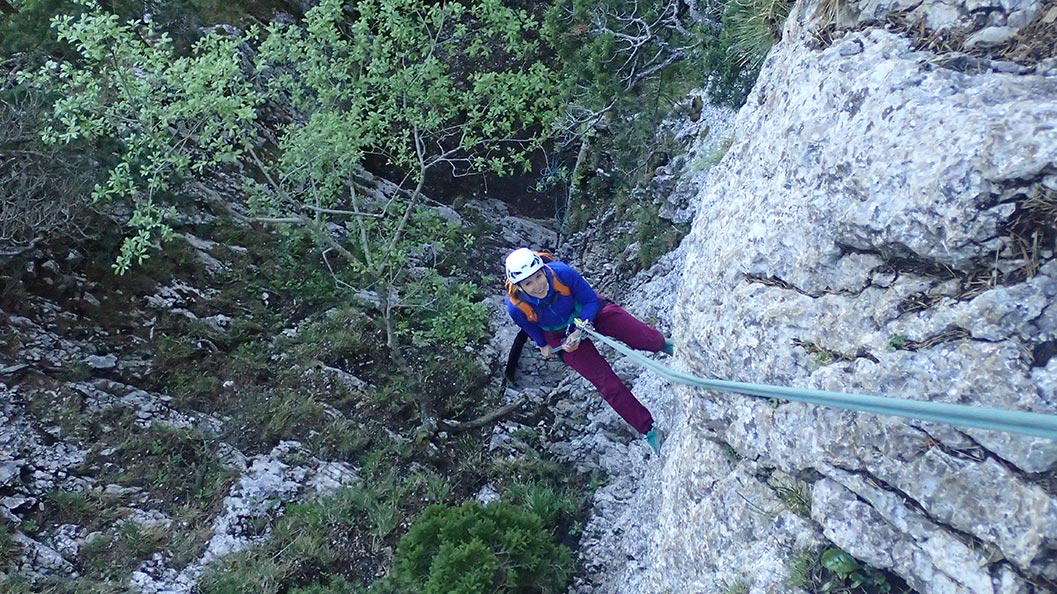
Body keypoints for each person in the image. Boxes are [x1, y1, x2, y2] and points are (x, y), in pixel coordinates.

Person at [503, 247, 672, 454]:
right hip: (560, 335)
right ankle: (648, 430)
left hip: (588, 312)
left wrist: (579, 328)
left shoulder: (562, 273)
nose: (537, 286)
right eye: (528, 283)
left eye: (538, 277)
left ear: (543, 270)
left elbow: (590, 299)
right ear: (519, 286)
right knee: (606, 383)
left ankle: (664, 345)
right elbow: (530, 326)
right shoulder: (515, 307)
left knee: (640, 336)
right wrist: (542, 344)